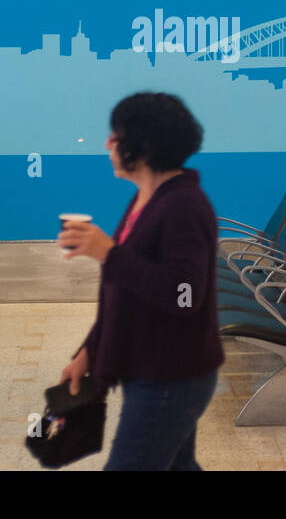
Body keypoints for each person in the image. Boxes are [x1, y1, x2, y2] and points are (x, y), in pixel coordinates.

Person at [57, 92, 224, 471]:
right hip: (158, 367)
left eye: (116, 135)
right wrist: (89, 352)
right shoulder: (148, 198)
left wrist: (109, 254)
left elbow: (185, 296)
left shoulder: (183, 205)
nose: (108, 144)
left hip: (170, 376)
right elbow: (126, 294)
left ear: (143, 144)